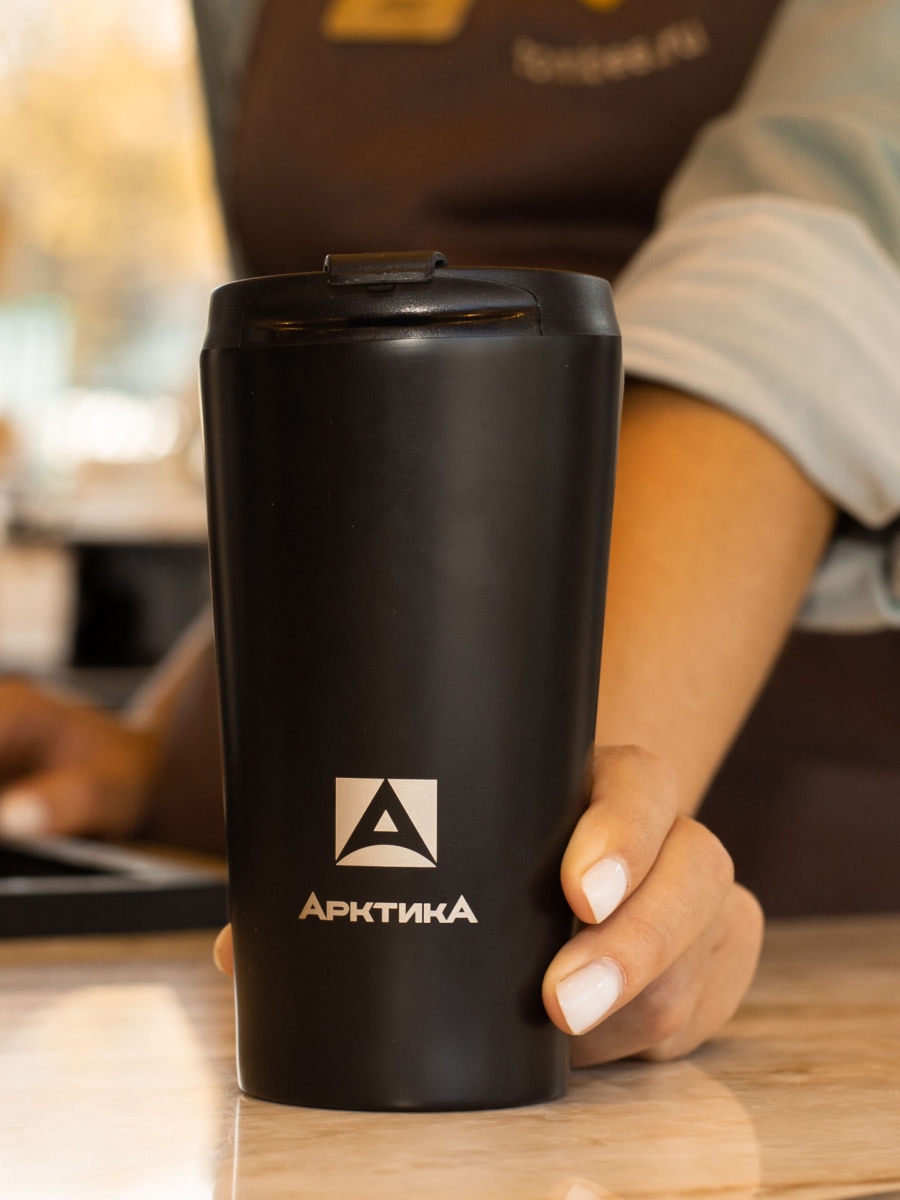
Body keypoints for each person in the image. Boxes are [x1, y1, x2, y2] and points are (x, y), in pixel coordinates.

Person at [1, 0, 898, 1060]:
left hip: (778, 872)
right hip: (312, 902)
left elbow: (793, 294)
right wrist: (163, 752)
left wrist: (481, 896)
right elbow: (339, 458)